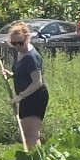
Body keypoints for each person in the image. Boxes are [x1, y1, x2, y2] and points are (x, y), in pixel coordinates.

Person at [8, 22, 49, 151]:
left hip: (36, 97)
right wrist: (11, 75)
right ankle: (31, 157)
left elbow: (37, 82)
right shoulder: (20, 53)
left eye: (20, 43)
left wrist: (20, 97)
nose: (17, 46)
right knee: (26, 133)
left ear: (27, 38)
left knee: (32, 134)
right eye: (14, 43)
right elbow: (23, 73)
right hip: (26, 97)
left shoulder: (32, 57)